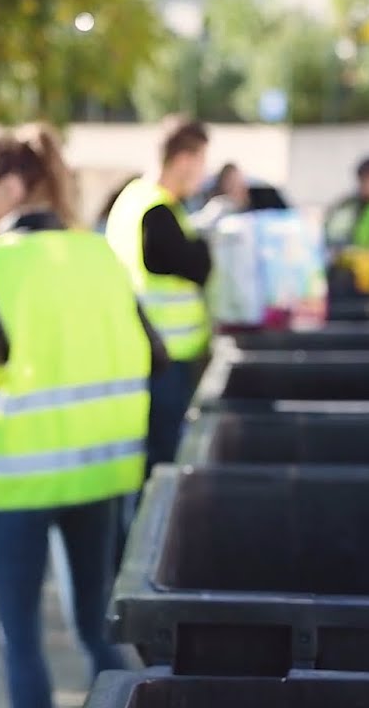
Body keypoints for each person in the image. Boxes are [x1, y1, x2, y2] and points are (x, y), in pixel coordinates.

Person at [0, 122, 163, 708]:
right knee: (94, 629)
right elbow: (153, 349)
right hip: (101, 472)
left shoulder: (3, 263)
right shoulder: (97, 254)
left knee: (21, 637)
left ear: (12, 187)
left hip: (20, 483)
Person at [104, 119, 212, 475]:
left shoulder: (133, 198)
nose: (203, 172)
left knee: (145, 457)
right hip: (166, 354)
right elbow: (189, 264)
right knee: (162, 460)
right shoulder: (158, 209)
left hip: (141, 349)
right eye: (201, 161)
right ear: (183, 160)